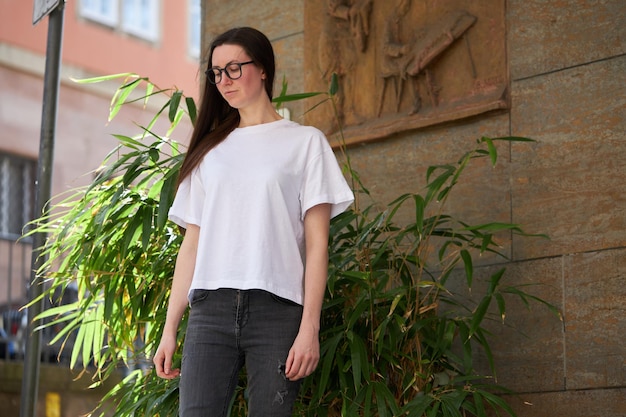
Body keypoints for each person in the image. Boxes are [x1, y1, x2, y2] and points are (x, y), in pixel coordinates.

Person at [152, 27, 354, 417]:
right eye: (216, 73)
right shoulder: (211, 151)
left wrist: (309, 328)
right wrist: (170, 328)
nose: (224, 81)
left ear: (262, 69)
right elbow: (190, 247)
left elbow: (317, 247)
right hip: (210, 310)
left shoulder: (306, 143)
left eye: (233, 68)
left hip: (277, 311)